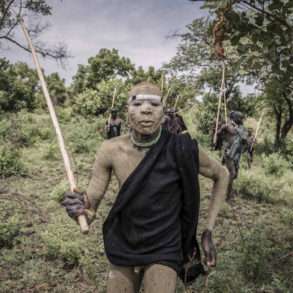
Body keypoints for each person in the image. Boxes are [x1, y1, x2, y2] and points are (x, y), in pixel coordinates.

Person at [62, 82, 229, 293]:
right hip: (124, 240)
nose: (146, 109)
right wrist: (78, 209)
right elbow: (90, 208)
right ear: (127, 111)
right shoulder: (110, 150)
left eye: (154, 104)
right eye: (137, 103)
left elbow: (222, 174)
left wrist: (208, 230)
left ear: (163, 112)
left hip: (164, 244)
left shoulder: (180, 148)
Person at [217, 111, 248, 200]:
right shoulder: (228, 126)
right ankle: (227, 195)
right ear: (236, 118)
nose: (242, 120)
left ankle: (225, 190)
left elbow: (244, 138)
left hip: (236, 156)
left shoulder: (241, 128)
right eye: (240, 118)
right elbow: (219, 135)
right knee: (231, 173)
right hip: (229, 154)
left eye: (242, 118)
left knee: (234, 175)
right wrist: (222, 129)